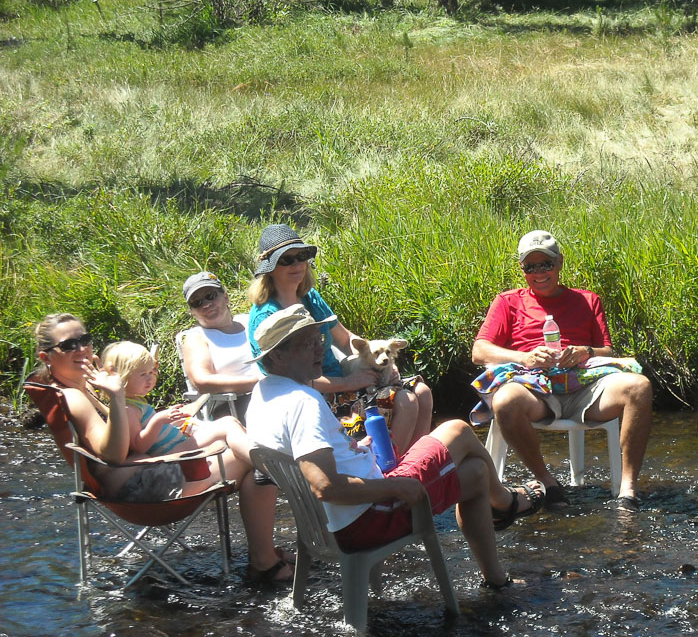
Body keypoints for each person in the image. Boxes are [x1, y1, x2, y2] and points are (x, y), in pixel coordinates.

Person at [245, 304, 545, 588]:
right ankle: (504, 502)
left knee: (476, 472)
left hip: (324, 525)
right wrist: (395, 488)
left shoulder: (264, 394)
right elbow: (325, 487)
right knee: (458, 429)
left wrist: (351, 447)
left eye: (318, 339)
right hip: (368, 519)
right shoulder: (303, 403)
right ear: (278, 357)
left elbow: (298, 459)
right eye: (307, 343)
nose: (320, 348)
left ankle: (497, 580)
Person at [33, 313, 293, 583]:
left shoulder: (82, 386)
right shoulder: (73, 396)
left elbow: (130, 439)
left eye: (84, 340)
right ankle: (264, 559)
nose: (82, 349)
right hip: (142, 491)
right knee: (256, 459)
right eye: (68, 345)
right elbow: (111, 454)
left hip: (143, 478)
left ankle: (264, 557)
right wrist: (117, 395)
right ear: (46, 357)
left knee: (235, 445)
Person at [471, 230, 654, 512]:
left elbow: (607, 351)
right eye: (530, 267)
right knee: (504, 400)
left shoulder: (588, 300)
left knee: (639, 386)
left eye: (545, 264)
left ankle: (627, 489)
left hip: (585, 387)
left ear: (559, 263)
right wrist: (527, 357)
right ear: (523, 270)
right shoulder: (508, 301)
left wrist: (586, 351)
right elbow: (480, 351)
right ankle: (547, 482)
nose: (539, 272)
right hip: (535, 391)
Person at [246, 224, 432, 455]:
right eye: (286, 259)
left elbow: (345, 340)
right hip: (321, 395)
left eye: (301, 256)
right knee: (406, 401)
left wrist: (378, 360)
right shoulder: (267, 317)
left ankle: (414, 466)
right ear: (270, 268)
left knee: (422, 392)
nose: (297, 264)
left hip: (345, 379)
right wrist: (350, 382)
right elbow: (289, 380)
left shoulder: (309, 296)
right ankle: (388, 472)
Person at [100, 340, 250, 459]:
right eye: (142, 374)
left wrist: (171, 419)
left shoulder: (136, 402)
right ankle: (259, 462)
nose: (150, 378)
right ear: (123, 377)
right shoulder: (128, 410)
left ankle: (257, 456)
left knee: (229, 425)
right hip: (169, 453)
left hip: (176, 445)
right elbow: (138, 447)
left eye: (152, 372)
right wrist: (158, 420)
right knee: (227, 425)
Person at [180, 271, 263, 419]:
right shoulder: (197, 338)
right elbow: (202, 381)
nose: (206, 305)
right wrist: (257, 382)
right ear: (192, 312)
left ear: (226, 297)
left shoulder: (249, 321)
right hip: (235, 406)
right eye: (197, 303)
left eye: (210, 296)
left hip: (275, 390)